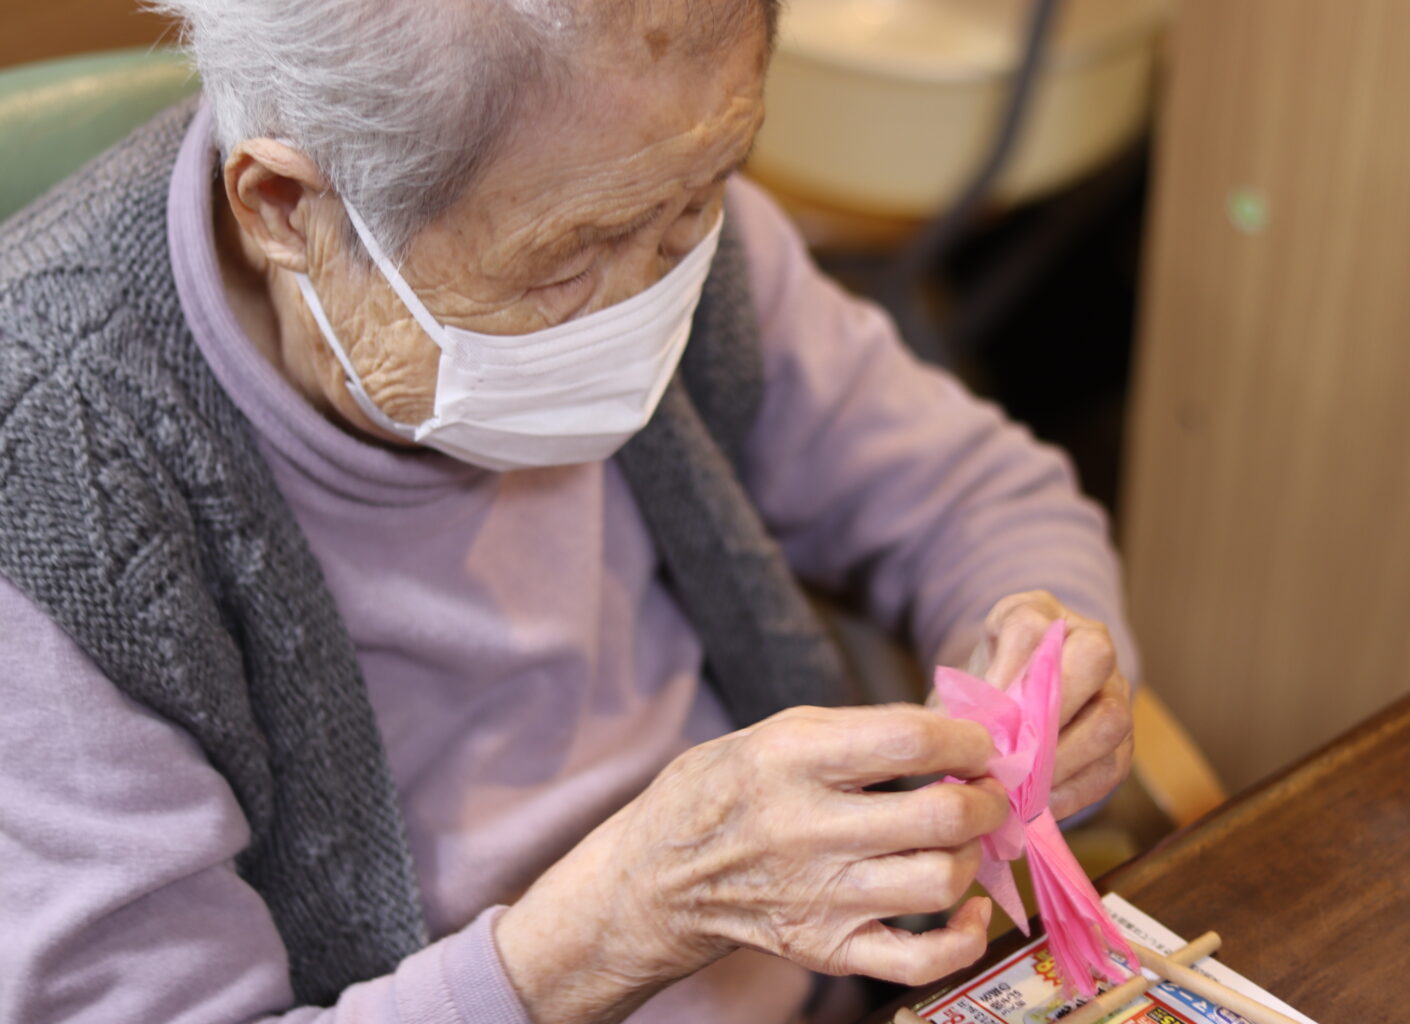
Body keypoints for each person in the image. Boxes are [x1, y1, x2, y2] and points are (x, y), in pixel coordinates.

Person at [0, 0, 1136, 1021]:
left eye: (700, 199)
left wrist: (1039, 651)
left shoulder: (642, 170)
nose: (654, 296)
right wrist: (620, 923)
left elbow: (974, 491)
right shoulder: (49, 482)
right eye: (569, 264)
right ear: (287, 208)